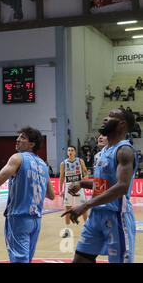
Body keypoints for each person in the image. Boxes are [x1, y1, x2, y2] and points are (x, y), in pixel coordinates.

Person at [63, 108, 137, 263]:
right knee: (80, 260)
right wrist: (82, 183)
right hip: (96, 217)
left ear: (122, 124)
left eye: (111, 116)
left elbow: (122, 186)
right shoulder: (104, 152)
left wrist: (85, 205)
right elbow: (104, 185)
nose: (105, 118)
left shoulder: (124, 150)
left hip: (116, 216)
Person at [0, 127, 55, 263]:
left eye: (22, 137)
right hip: (36, 220)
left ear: (32, 144)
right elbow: (51, 195)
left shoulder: (17, 158)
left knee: (19, 260)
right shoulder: (43, 165)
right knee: (27, 259)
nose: (17, 139)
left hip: (19, 218)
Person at [59, 146, 89, 238]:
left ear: (75, 152)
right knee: (68, 209)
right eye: (68, 150)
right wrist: (61, 189)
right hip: (68, 186)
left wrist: (84, 179)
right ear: (67, 152)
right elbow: (61, 177)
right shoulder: (63, 163)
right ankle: (67, 230)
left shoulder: (80, 161)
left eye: (72, 150)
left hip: (79, 186)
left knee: (84, 208)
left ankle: (87, 229)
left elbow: (86, 172)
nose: (70, 152)